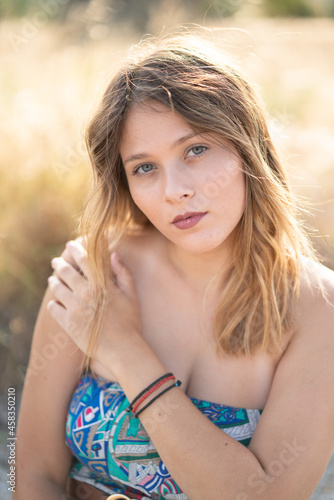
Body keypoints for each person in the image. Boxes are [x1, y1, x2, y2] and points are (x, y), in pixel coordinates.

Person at [14, 33, 334, 500]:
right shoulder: (96, 269)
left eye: (195, 150)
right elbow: (34, 471)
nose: (174, 190)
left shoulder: (317, 307)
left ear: (249, 148)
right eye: (145, 167)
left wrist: (125, 351)